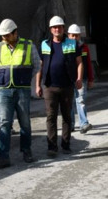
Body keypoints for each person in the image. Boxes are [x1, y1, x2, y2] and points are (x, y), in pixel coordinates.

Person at [0, 18, 41, 169]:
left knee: (25, 122)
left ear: (15, 33)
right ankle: (3, 157)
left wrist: (24, 78)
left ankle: (26, 151)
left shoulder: (28, 45)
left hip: (22, 90)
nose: (4, 38)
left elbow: (37, 65)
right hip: (4, 90)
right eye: (3, 36)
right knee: (4, 123)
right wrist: (3, 79)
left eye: (7, 35)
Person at [35, 15, 83, 157]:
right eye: (55, 27)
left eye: (60, 27)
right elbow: (40, 66)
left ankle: (66, 145)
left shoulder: (72, 43)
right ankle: (52, 147)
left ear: (63, 28)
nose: (57, 29)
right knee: (51, 117)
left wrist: (79, 78)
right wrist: (37, 85)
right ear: (51, 30)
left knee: (67, 116)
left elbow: (79, 62)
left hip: (67, 86)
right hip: (50, 86)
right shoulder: (44, 44)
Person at [68, 23, 95, 134]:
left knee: (81, 100)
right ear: (68, 35)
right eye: (72, 35)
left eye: (76, 35)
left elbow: (88, 63)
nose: (74, 38)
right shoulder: (65, 47)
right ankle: (70, 125)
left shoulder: (84, 48)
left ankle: (83, 124)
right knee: (69, 102)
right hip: (69, 79)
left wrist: (90, 79)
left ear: (80, 36)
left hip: (82, 79)